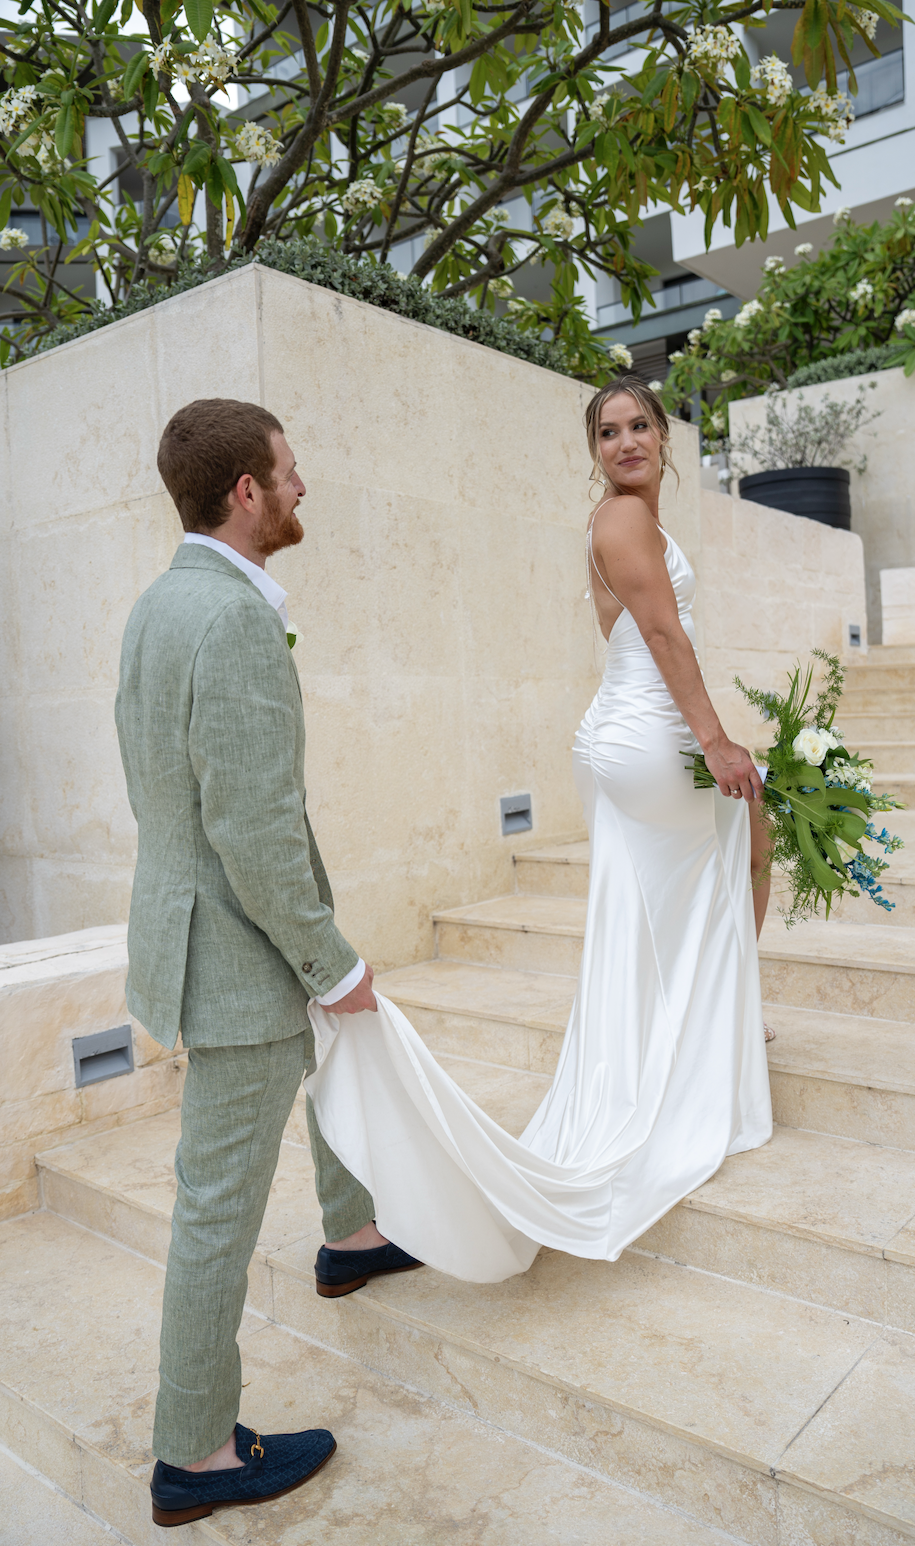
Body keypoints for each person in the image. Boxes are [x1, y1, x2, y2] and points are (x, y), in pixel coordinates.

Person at [303, 376, 773, 1280]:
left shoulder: (625, 520)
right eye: (608, 432)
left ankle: (698, 1043)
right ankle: (700, 1061)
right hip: (649, 737)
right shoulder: (623, 521)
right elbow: (665, 636)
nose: (626, 442)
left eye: (639, 426)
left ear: (665, 438)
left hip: (625, 734)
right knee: (732, 856)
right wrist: (713, 739)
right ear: (593, 450)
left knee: (699, 882)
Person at [115, 399, 421, 1530]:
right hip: (236, 957)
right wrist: (326, 957)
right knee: (216, 1208)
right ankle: (192, 1450)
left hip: (197, 931)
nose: (303, 487)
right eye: (290, 472)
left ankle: (350, 1235)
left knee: (328, 1069)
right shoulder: (231, 620)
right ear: (244, 490)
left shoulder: (159, 605)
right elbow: (249, 825)